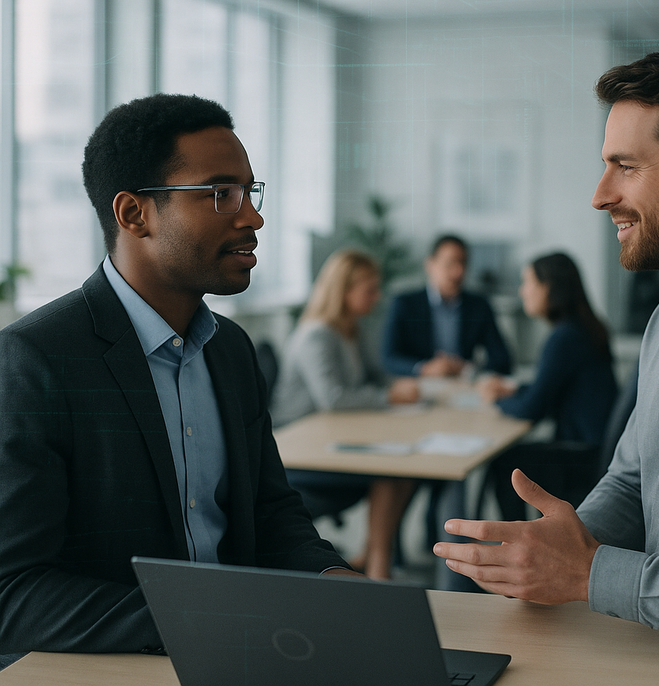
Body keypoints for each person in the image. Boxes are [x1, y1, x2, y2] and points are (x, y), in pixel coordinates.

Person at [433, 49, 659, 681]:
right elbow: (633, 482)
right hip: (656, 645)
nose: (601, 196)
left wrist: (591, 573)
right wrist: (553, 549)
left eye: (625, 167)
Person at [0, 94, 353, 666]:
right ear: (135, 214)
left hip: (252, 655)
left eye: (249, 191)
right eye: (220, 194)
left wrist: (330, 577)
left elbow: (268, 512)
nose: (252, 217)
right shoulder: (35, 359)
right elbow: (13, 594)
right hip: (121, 667)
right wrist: (215, 623)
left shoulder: (230, 350)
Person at [270, 249, 420, 580]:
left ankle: (370, 554)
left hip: (333, 441)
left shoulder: (351, 329)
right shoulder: (316, 334)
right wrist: (390, 396)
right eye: (369, 289)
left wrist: (401, 385)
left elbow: (375, 375)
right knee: (388, 472)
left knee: (406, 470)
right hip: (301, 451)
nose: (376, 297)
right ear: (343, 290)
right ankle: (380, 572)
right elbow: (334, 398)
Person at [478, 252, 618, 517]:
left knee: (507, 462)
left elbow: (533, 408)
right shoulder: (582, 328)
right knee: (512, 456)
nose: (523, 292)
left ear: (549, 287)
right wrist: (514, 390)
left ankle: (517, 544)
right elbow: (553, 388)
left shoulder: (563, 338)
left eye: (528, 282)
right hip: (596, 448)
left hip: (582, 456)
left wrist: (496, 400)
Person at [382, 234, 512, 377]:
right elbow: (389, 357)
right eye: (450, 263)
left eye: (463, 263)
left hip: (465, 386)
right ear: (430, 265)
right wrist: (424, 368)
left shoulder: (479, 306)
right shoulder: (405, 304)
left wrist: (467, 369)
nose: (458, 272)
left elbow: (503, 360)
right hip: (419, 385)